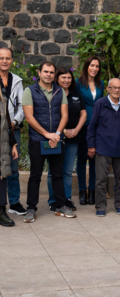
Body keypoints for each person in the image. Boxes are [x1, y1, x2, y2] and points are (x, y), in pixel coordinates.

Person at [22, 61, 75, 223]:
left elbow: (64, 115)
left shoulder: (60, 92)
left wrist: (57, 134)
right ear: (39, 72)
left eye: (51, 72)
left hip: (57, 140)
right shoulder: (29, 91)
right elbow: (29, 117)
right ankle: (31, 208)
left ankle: (60, 205)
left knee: (57, 174)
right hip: (38, 140)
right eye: (46, 71)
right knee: (35, 175)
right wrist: (47, 134)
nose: (48, 75)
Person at [87, 78, 120, 217]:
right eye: (114, 87)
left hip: (119, 148)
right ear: (108, 89)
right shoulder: (100, 103)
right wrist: (91, 145)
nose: (117, 90)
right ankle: (100, 206)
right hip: (103, 148)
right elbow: (92, 126)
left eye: (119, 88)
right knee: (101, 179)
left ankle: (119, 204)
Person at [47, 67, 87, 212]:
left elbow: (83, 114)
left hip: (73, 138)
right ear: (57, 79)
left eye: (69, 77)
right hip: (56, 138)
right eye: (63, 77)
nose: (66, 80)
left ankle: (66, 199)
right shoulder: (53, 94)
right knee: (53, 171)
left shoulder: (76, 94)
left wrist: (75, 130)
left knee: (68, 171)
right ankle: (53, 200)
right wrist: (63, 131)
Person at [0, 47, 26, 216]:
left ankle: (14, 202)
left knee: (14, 168)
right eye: (1, 58)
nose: (4, 61)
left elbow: (22, 106)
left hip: (12, 130)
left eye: (7, 58)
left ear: (12, 60)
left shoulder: (17, 81)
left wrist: (16, 121)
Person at [75, 56, 105, 206]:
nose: (94, 68)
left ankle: (92, 191)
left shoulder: (101, 84)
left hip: (97, 127)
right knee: (81, 159)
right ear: (87, 66)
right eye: (92, 65)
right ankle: (82, 191)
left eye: (97, 66)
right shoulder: (78, 83)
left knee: (94, 160)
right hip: (82, 125)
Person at [0, 89, 19, 227]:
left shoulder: (3, 98)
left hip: (3, 143)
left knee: (2, 175)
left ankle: (1, 211)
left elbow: (7, 124)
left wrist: (13, 145)